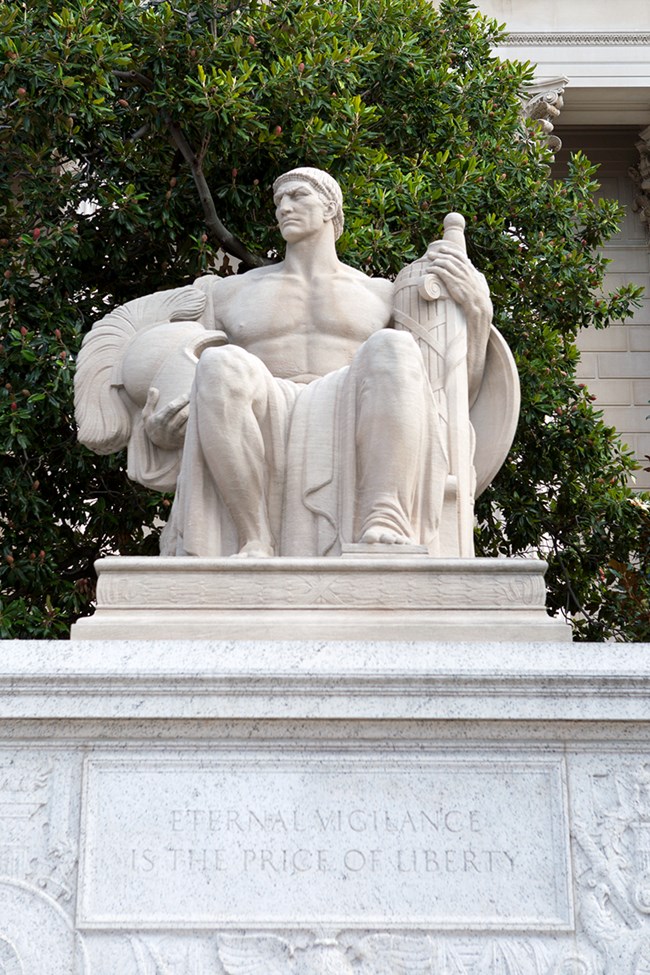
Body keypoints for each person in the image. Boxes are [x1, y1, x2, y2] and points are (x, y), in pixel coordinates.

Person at [77, 167, 495, 557]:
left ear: (331, 207)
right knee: (220, 364)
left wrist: (477, 315)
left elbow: (442, 391)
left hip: (345, 406)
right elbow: (163, 349)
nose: (284, 208)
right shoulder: (228, 293)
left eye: (297, 196)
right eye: (279, 201)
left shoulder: (382, 294)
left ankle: (384, 514)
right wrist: (155, 430)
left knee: (394, 347)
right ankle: (253, 538)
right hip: (264, 409)